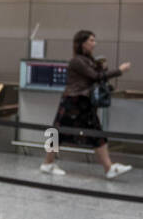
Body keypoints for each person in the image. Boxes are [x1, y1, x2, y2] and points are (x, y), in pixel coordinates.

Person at [40, 30, 133, 179]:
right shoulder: (77, 61)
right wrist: (119, 70)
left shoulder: (88, 60)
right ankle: (47, 163)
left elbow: (98, 76)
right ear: (82, 43)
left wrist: (103, 67)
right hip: (74, 101)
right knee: (58, 132)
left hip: (83, 102)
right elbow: (95, 77)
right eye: (91, 40)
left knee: (93, 133)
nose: (94, 43)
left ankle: (108, 168)